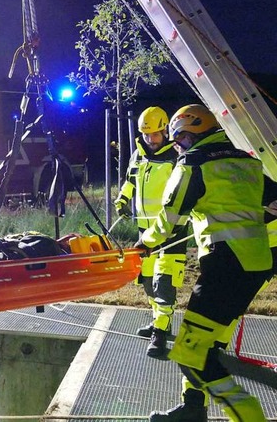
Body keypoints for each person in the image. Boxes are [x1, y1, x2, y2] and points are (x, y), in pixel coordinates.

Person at [135, 104, 272, 421]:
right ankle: (193, 409)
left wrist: (145, 244)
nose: (177, 147)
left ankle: (249, 414)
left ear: (188, 134)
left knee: (189, 353)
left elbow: (170, 217)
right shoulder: (246, 161)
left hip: (225, 266)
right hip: (256, 265)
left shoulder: (193, 163)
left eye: (178, 140)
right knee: (205, 345)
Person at [114, 106, 189, 357]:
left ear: (165, 130)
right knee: (147, 281)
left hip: (171, 231)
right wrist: (123, 200)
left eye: (155, 134)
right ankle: (157, 319)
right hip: (145, 231)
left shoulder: (176, 157)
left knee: (164, 282)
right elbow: (130, 181)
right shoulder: (138, 155)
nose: (151, 140)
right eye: (147, 135)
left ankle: (161, 332)